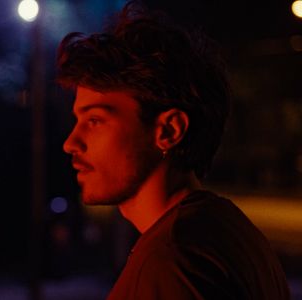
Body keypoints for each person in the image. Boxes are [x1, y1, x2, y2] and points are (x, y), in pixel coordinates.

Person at [56, 1, 291, 299]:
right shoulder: (225, 230)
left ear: (168, 131)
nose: (70, 142)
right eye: (78, 120)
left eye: (95, 120)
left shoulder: (174, 260)